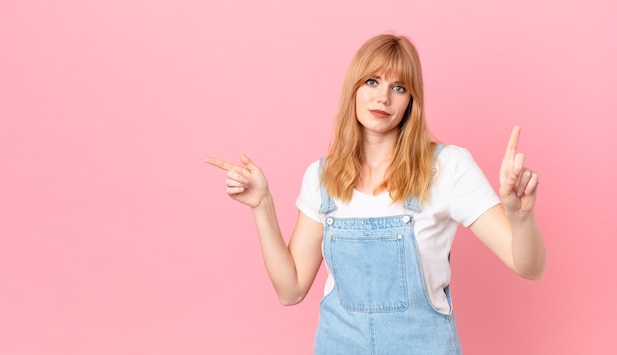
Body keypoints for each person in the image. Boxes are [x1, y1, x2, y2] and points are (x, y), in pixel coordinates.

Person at [205, 33, 546, 354]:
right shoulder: (322, 177)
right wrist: (262, 205)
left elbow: (528, 266)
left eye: (399, 87)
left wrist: (521, 216)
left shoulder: (448, 168)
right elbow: (291, 289)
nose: (383, 97)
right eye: (372, 82)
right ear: (353, 88)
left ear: (412, 100)